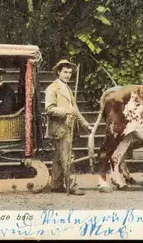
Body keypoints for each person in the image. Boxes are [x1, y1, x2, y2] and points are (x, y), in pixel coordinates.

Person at [45, 59, 92, 195]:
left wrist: (85, 125)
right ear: (58, 72)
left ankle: (55, 183)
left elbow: (75, 109)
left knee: (59, 157)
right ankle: (71, 185)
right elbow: (49, 109)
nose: (68, 75)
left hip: (69, 127)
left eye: (70, 72)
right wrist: (65, 111)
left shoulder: (68, 89)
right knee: (67, 157)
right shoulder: (52, 88)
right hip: (59, 128)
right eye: (65, 72)